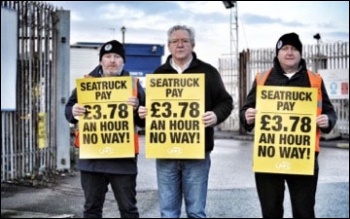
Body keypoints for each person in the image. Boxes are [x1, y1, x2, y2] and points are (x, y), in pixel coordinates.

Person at [138, 25, 233, 218]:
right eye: (175, 41)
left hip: (197, 153)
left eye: (184, 41)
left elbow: (226, 102)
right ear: (169, 46)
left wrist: (215, 115)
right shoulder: (158, 74)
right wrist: (142, 111)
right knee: (168, 212)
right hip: (165, 154)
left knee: (196, 212)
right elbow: (148, 108)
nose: (179, 44)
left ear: (193, 44)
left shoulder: (209, 72)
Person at [239, 32, 337, 218]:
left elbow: (329, 112)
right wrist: (247, 116)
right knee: (271, 212)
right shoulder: (262, 78)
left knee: (304, 212)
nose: (289, 52)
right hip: (268, 156)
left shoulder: (314, 80)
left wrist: (327, 121)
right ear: (277, 54)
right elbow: (245, 110)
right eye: (284, 48)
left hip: (303, 156)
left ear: (300, 53)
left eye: (294, 49)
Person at [65, 40, 145, 218]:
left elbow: (146, 120)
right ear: (101, 61)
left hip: (123, 161)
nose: (112, 61)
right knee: (92, 210)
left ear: (123, 62)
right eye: (108, 56)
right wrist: (74, 111)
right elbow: (69, 110)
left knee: (128, 209)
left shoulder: (134, 85)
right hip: (92, 159)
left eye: (117, 57)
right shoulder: (87, 84)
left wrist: (138, 107)